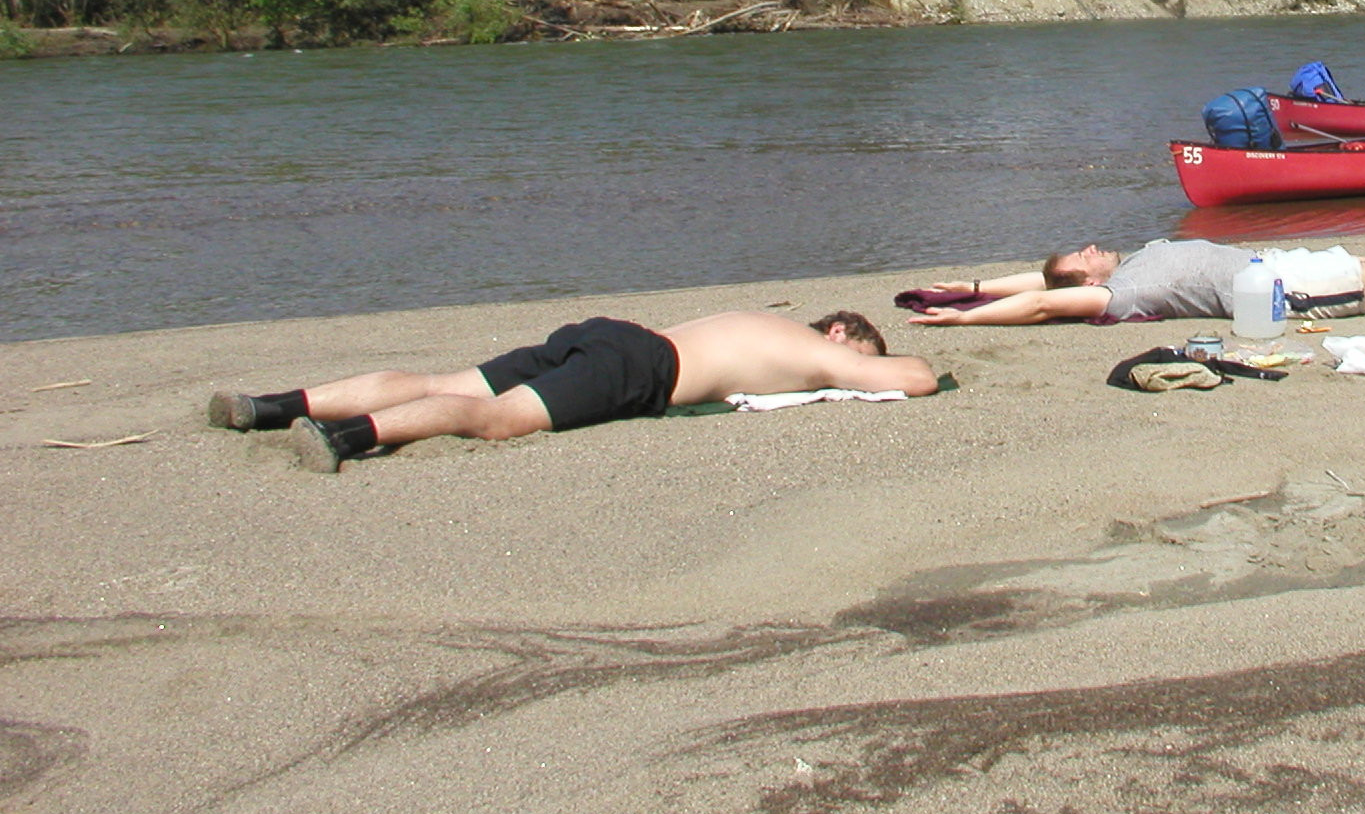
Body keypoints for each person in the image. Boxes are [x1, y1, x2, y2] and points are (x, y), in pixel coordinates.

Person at [209, 310, 936, 472]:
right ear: (839, 331)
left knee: (441, 381)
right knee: (497, 419)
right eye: (860, 350)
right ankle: (344, 436)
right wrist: (872, 365)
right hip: (642, 368)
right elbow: (917, 378)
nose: (855, 371)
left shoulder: (756, 322)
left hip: (607, 335)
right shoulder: (817, 350)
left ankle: (270, 407)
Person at [908, 236, 1365, 327]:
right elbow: (1042, 299)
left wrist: (970, 285)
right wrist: (967, 317)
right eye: (1082, 254)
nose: (1092, 246)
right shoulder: (1122, 293)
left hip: (1286, 261)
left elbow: (1033, 277)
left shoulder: (1140, 258)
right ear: (1083, 276)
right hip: (1287, 291)